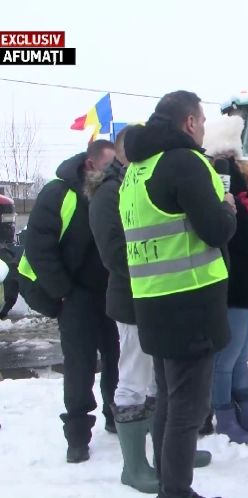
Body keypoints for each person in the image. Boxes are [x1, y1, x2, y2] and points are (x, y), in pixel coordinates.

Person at [120, 90, 236, 498]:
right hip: (190, 302)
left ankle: (170, 487)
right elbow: (216, 230)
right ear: (189, 122)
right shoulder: (185, 161)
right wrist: (228, 206)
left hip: (153, 301)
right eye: (201, 121)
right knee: (187, 410)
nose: (203, 129)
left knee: (169, 403)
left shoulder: (137, 170)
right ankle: (177, 492)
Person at [18, 140, 120, 463]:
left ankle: (116, 417)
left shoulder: (112, 193)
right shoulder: (58, 193)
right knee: (80, 364)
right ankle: (77, 437)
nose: (115, 171)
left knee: (116, 357)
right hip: (75, 294)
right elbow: (38, 248)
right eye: (110, 165)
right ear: (90, 164)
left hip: (109, 292)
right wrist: (62, 290)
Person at [87, 127, 161, 492]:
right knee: (132, 379)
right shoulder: (108, 192)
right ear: (124, 154)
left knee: (156, 378)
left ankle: (165, 450)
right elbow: (114, 253)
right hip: (131, 300)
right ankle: (133, 467)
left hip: (158, 296)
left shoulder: (143, 184)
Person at [203, 116, 248, 443]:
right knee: (227, 358)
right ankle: (224, 414)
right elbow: (240, 247)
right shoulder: (226, 200)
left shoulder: (243, 202)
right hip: (232, 287)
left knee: (240, 355)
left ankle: (245, 410)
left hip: (244, 288)